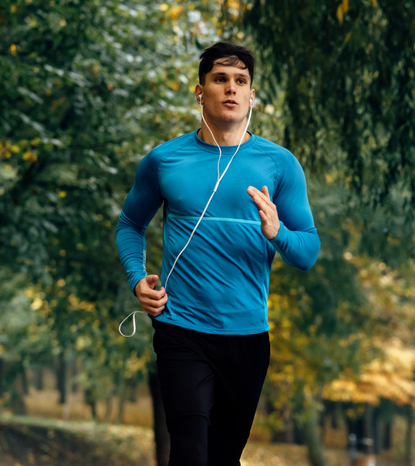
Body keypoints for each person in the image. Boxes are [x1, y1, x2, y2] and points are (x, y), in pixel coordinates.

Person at [115, 41, 320, 465]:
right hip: (181, 330)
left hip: (247, 337)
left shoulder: (279, 164)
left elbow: (308, 251)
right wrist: (138, 277)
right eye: (220, 79)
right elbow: (130, 225)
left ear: (252, 96)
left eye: (240, 81)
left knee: (223, 460)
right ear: (200, 91)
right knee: (189, 452)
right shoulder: (164, 160)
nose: (231, 88)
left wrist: (277, 231)